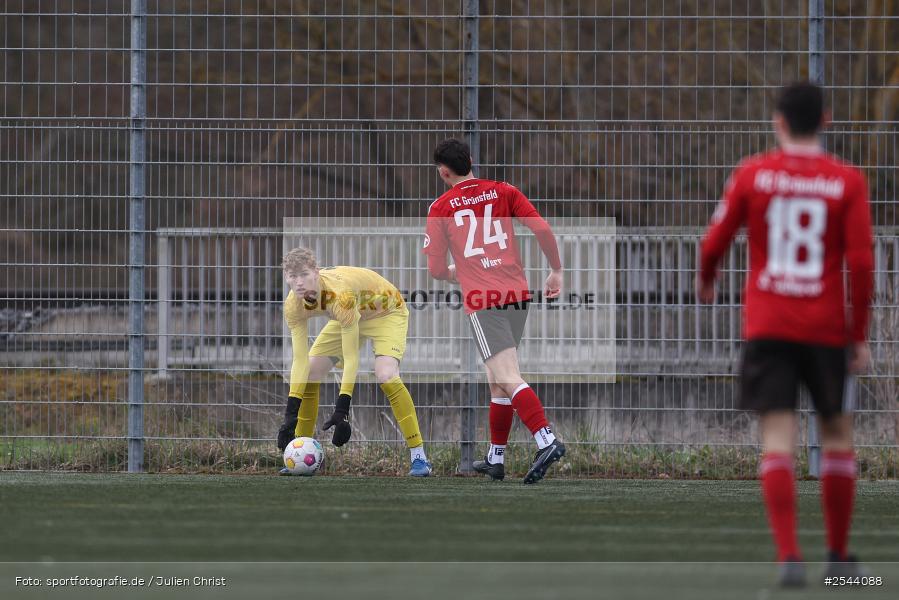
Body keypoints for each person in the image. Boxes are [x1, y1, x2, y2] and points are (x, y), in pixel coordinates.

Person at [697, 82, 874, 587]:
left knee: (778, 439)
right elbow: (862, 265)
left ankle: (791, 557)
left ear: (778, 122)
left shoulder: (754, 173)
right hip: (825, 330)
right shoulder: (848, 181)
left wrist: (706, 279)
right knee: (837, 435)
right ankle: (839, 560)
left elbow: (715, 241)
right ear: (827, 121)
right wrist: (857, 334)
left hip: (769, 325)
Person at [423, 138, 565, 484]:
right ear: (471, 160)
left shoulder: (441, 208)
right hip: (517, 293)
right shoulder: (503, 190)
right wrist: (556, 269)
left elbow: (437, 270)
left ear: (443, 173)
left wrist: (460, 273)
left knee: (506, 375)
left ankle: (546, 440)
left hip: (484, 301)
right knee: (497, 379)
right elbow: (541, 228)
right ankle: (496, 458)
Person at [276, 247, 432, 477]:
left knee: (386, 375)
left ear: (316, 272)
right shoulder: (293, 304)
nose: (298, 282)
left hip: (386, 312)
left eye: (304, 274)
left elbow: (351, 358)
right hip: (352, 315)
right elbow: (299, 361)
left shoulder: (340, 297)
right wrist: (290, 415)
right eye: (292, 276)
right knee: (311, 372)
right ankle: (300, 451)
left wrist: (342, 409)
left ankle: (419, 457)